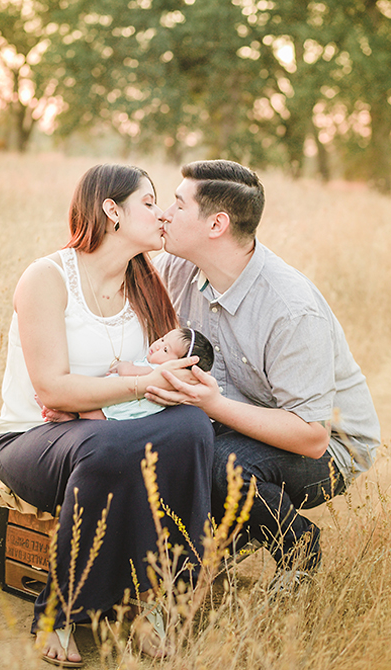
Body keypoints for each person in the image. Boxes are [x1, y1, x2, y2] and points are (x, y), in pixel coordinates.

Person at [0, 164, 215, 664]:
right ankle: (60, 610)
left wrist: (169, 386)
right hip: (35, 439)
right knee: (109, 449)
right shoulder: (47, 278)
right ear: (111, 211)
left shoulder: (147, 287)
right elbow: (51, 389)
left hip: (111, 432)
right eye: (149, 202)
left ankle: (150, 599)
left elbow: (166, 380)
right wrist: (137, 386)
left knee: (194, 426)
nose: (162, 214)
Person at [149, 159, 381, 591]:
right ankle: (209, 551)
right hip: (235, 424)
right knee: (175, 445)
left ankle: (298, 548)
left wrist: (212, 404)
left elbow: (313, 437)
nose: (164, 213)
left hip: (331, 447)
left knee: (223, 464)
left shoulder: (290, 309)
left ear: (217, 224)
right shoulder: (178, 270)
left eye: (178, 206)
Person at [41, 327, 214, 422]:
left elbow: (129, 372)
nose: (158, 345)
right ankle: (67, 412)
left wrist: (122, 365)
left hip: (118, 407)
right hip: (115, 399)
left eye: (166, 349)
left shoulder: (156, 373)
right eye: (162, 339)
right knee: (87, 407)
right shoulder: (154, 368)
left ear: (179, 366)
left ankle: (68, 416)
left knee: (90, 413)